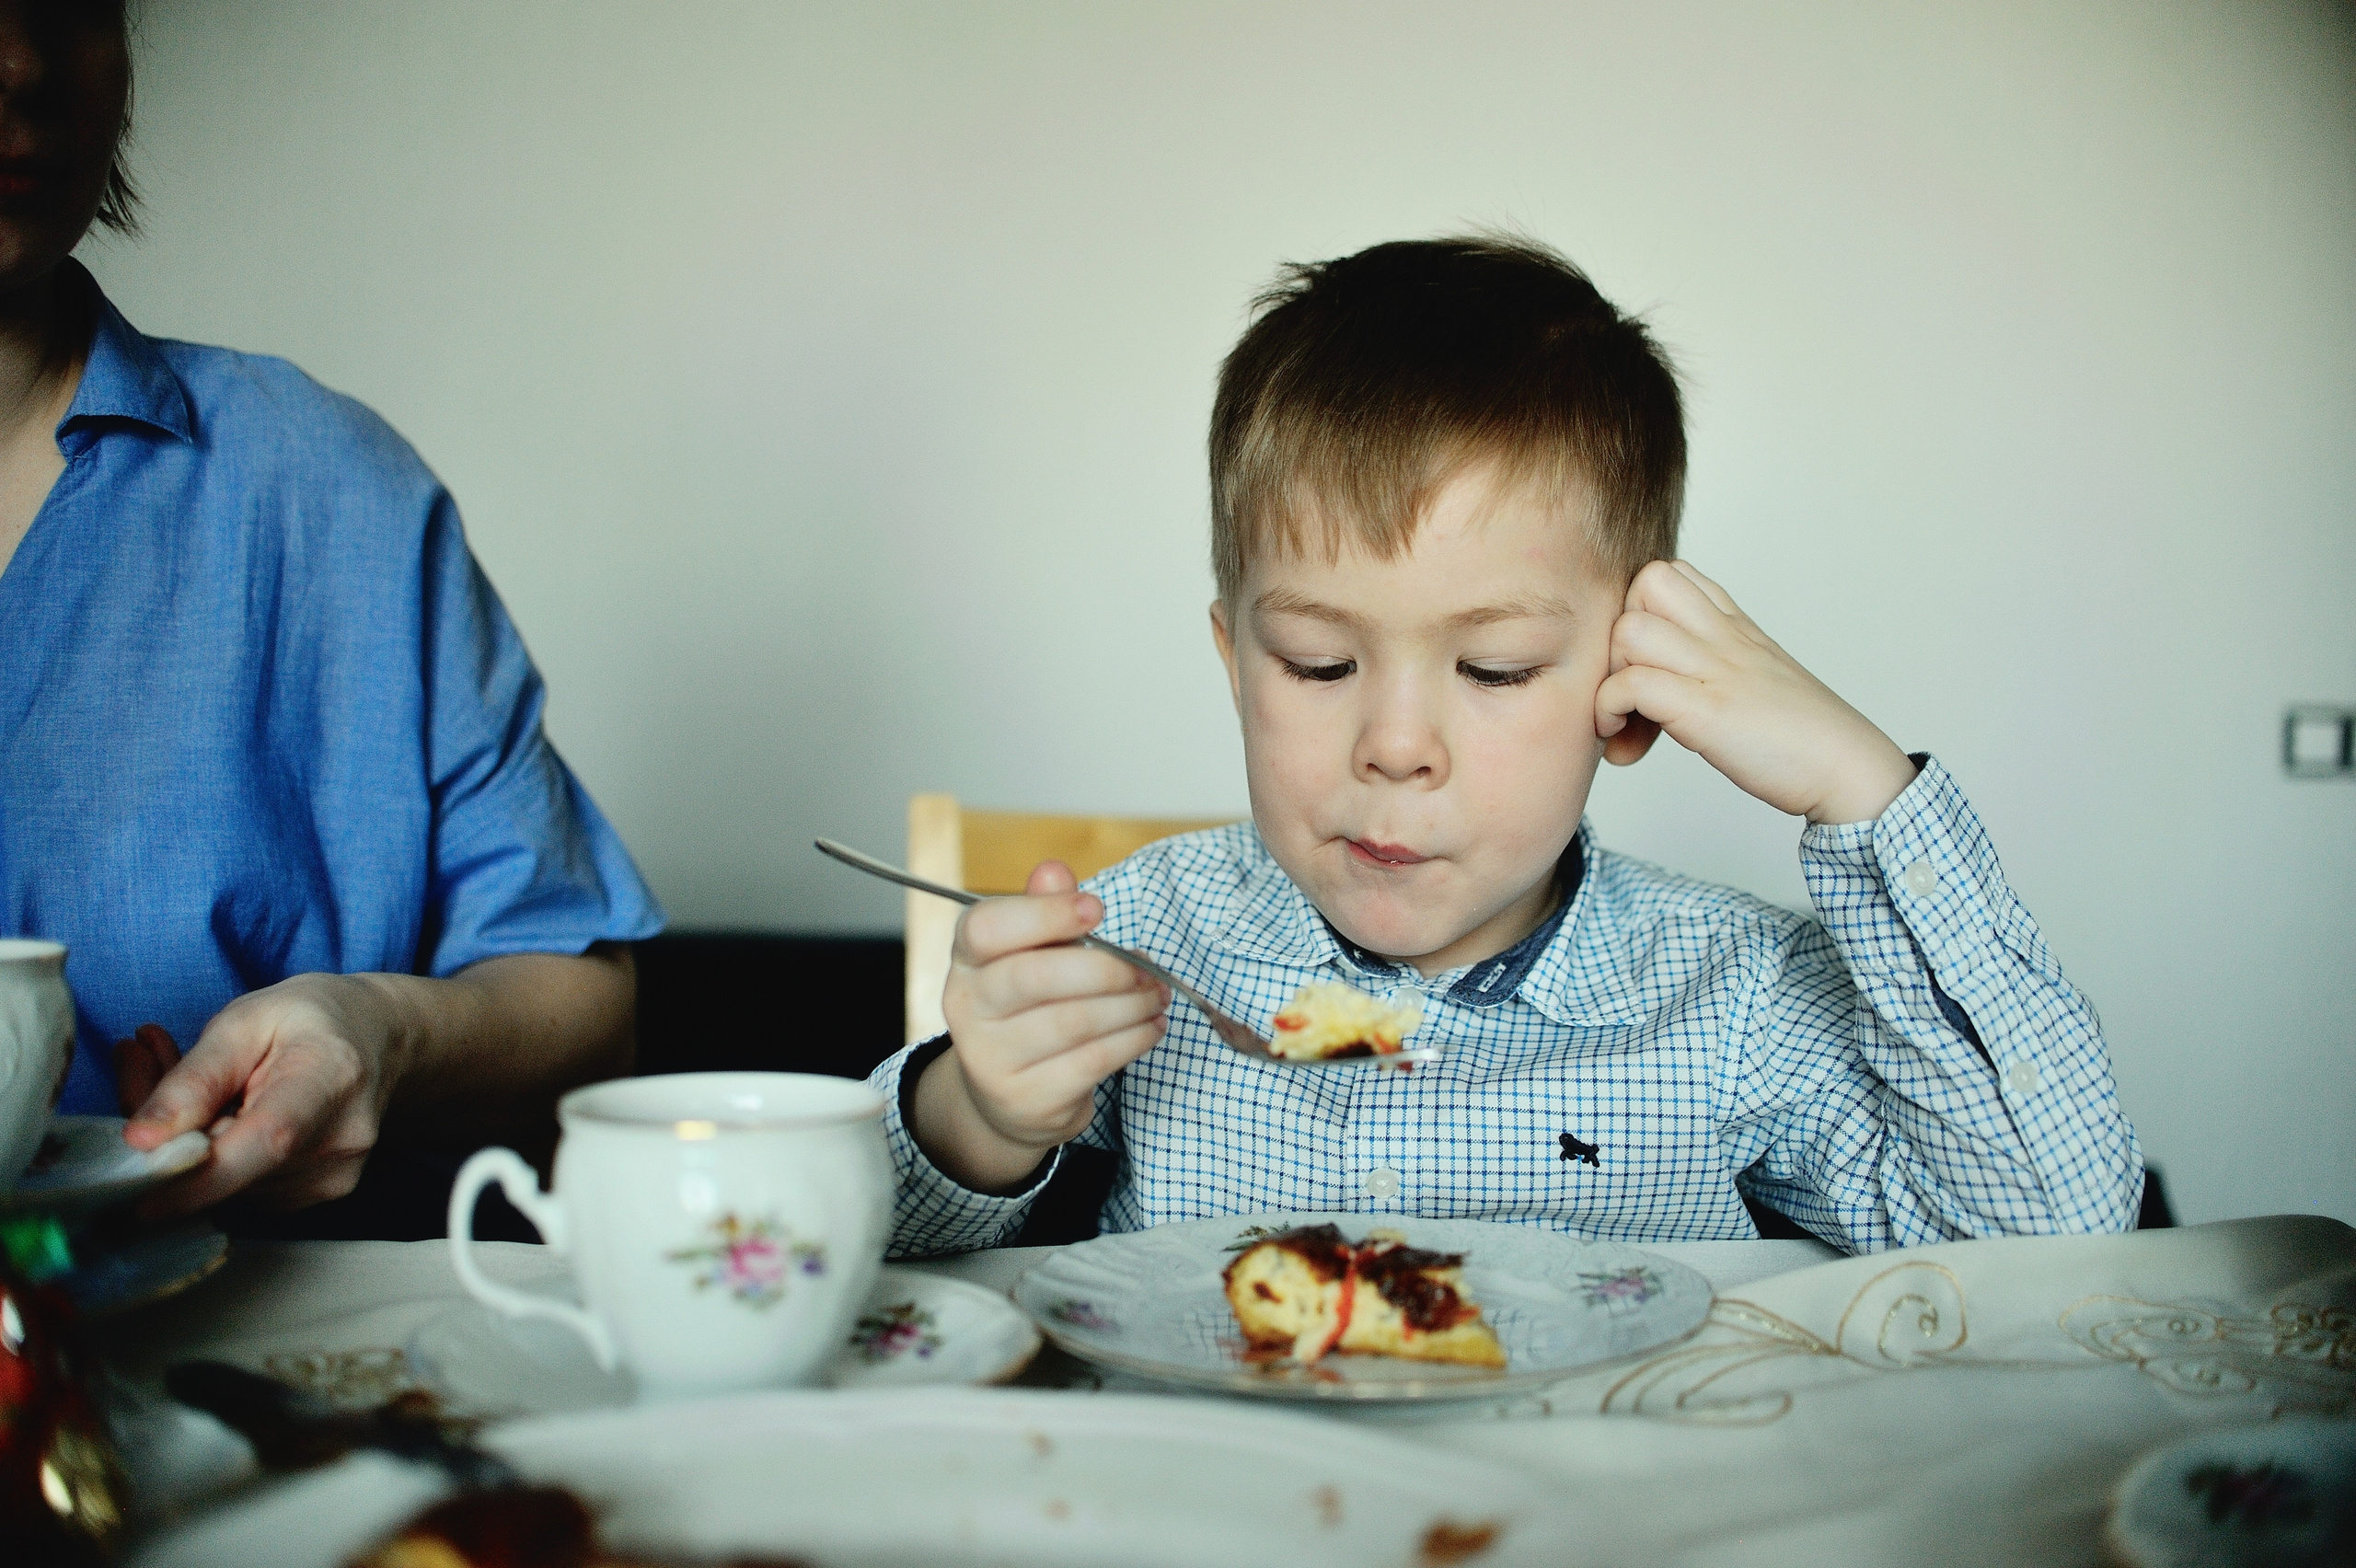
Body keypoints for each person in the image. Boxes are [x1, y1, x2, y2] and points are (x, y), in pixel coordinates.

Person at [868, 235, 2142, 1255]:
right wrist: (980, 1116)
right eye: (1317, 662)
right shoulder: (1147, 940)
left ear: (1629, 693)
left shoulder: (1734, 1001)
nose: (1395, 747)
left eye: (1494, 670)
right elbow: (864, 1233)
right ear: (1235, 662)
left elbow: (2055, 1242)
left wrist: (1864, 791)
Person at [0, 0, 663, 1217]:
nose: (25, 60)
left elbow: (584, 1011)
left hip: (229, 1317)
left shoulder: (324, 489)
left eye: (70, 2)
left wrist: (381, 1030)